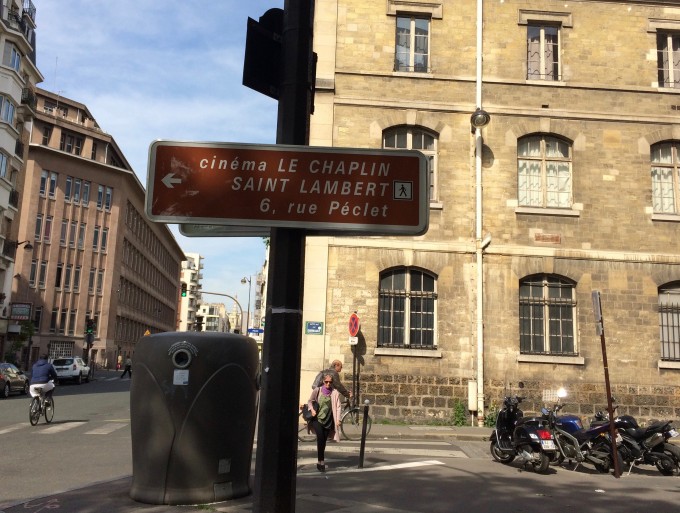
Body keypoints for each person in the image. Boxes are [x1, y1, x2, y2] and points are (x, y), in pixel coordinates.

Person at [307, 372, 343, 472]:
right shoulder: (317, 390)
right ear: (323, 381)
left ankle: (320, 461)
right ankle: (321, 461)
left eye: (330, 382)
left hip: (328, 421)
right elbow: (310, 401)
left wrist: (338, 419)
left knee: (323, 441)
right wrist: (312, 410)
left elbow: (338, 407)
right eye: (326, 382)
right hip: (317, 419)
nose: (328, 384)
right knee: (320, 438)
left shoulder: (334, 393)